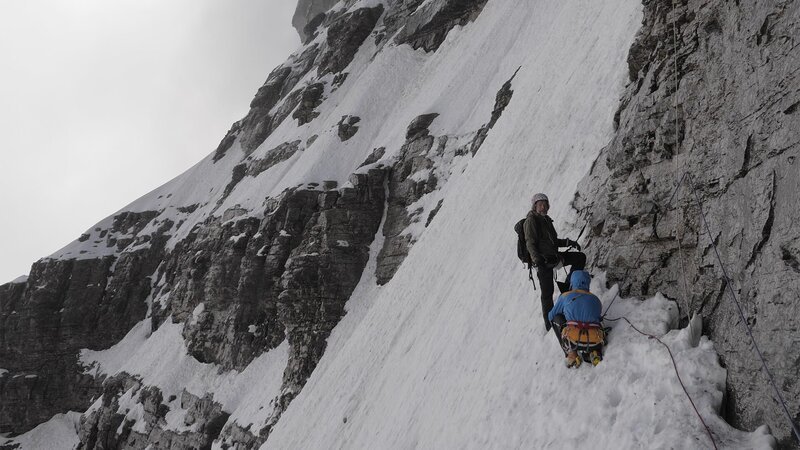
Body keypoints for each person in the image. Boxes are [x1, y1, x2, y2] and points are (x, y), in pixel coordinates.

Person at [523, 193, 586, 331]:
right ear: (535, 206)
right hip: (543, 262)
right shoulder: (531, 221)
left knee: (579, 258)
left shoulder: (546, 220)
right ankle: (550, 325)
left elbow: (553, 242)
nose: (544, 206)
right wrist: (537, 260)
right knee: (547, 294)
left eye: (546, 204)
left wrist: (569, 242)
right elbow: (530, 243)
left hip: (554, 257)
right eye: (541, 204)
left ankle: (570, 287)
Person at [548, 270, 604, 368]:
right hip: (594, 339)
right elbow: (598, 319)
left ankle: (572, 354)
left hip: (573, 339)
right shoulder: (596, 299)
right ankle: (594, 352)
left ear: (572, 282)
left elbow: (551, 316)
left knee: (556, 318)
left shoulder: (565, 296)